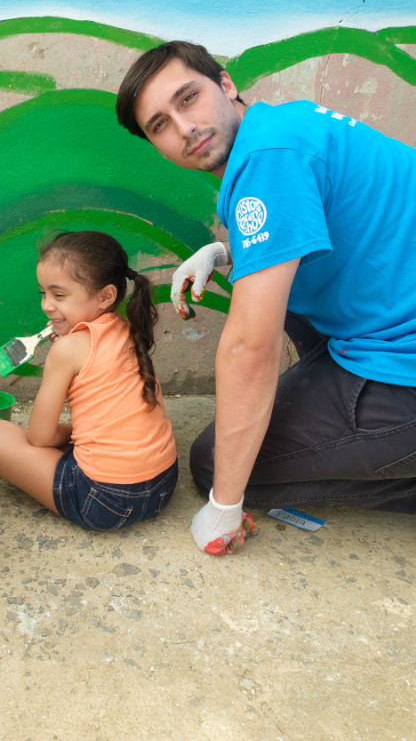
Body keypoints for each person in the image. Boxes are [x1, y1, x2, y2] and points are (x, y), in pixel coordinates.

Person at [115, 40, 416, 555]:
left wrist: (225, 505)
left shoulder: (268, 160)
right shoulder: (283, 125)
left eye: (187, 98)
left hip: (402, 363)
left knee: (216, 464)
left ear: (226, 84)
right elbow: (324, 222)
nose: (184, 128)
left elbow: (250, 348)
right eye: (159, 125)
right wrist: (226, 251)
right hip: (390, 309)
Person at [0, 231, 178, 530]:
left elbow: (40, 438)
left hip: (104, 500)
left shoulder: (67, 349)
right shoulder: (126, 328)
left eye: (59, 295)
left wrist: (70, 433)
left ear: (106, 296)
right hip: (163, 486)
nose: (46, 305)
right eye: (43, 293)